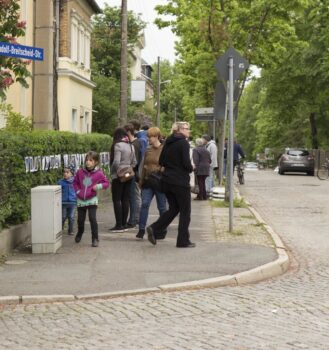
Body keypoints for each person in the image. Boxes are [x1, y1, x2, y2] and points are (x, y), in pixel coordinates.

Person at [146, 121, 195, 248]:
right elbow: (186, 164)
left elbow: (161, 160)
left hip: (167, 181)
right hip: (180, 182)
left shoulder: (168, 141)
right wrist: (191, 167)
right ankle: (183, 241)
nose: (188, 130)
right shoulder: (183, 142)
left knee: (173, 209)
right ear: (179, 130)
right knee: (185, 211)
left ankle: (154, 228)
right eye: (186, 128)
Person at [136, 127, 167, 239]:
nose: (148, 138)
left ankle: (162, 229)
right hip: (148, 181)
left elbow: (167, 166)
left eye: (150, 136)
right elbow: (144, 166)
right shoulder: (147, 150)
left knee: (162, 207)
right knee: (144, 204)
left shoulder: (164, 149)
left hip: (159, 182)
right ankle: (141, 229)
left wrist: (161, 170)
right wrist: (141, 180)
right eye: (148, 136)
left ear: (157, 137)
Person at [73, 151, 109, 247]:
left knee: (92, 218)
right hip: (81, 200)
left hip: (92, 199)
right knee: (80, 219)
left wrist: (98, 186)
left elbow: (106, 183)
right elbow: (75, 182)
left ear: (96, 162)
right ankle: (80, 232)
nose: (88, 162)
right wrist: (77, 191)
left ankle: (95, 238)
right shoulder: (80, 172)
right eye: (87, 160)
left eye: (90, 160)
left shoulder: (99, 173)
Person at [110, 127, 137, 232]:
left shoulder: (117, 145)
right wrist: (128, 169)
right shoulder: (131, 145)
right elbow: (134, 162)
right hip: (129, 176)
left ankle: (118, 225)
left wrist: (113, 172)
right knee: (125, 199)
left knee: (116, 199)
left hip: (118, 175)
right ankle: (125, 224)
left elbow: (116, 162)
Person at [124, 123, 142, 228]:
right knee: (134, 197)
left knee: (133, 197)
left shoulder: (134, 144)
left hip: (132, 174)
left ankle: (134, 220)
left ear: (128, 132)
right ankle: (135, 219)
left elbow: (134, 161)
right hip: (134, 173)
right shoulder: (137, 143)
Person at [58, 164, 77, 235]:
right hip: (63, 203)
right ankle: (60, 229)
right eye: (64, 172)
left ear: (72, 173)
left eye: (67, 172)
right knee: (63, 216)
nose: (65, 173)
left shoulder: (75, 182)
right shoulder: (60, 182)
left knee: (71, 217)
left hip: (73, 202)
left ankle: (70, 230)